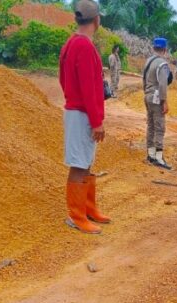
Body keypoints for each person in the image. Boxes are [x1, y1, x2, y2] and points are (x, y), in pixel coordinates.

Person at [59, 0, 110, 235]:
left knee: (85, 160)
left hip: (76, 110)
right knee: (80, 164)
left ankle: (88, 209)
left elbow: (63, 79)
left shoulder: (70, 43)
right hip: (82, 112)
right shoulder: (85, 47)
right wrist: (97, 120)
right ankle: (77, 215)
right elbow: (91, 88)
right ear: (97, 20)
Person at [143, 37, 172, 170]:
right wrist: (164, 101)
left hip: (147, 96)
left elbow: (143, 79)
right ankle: (159, 158)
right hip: (156, 97)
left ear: (154, 48)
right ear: (165, 50)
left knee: (151, 126)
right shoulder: (163, 64)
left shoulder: (148, 61)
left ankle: (150, 154)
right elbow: (163, 85)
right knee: (159, 126)